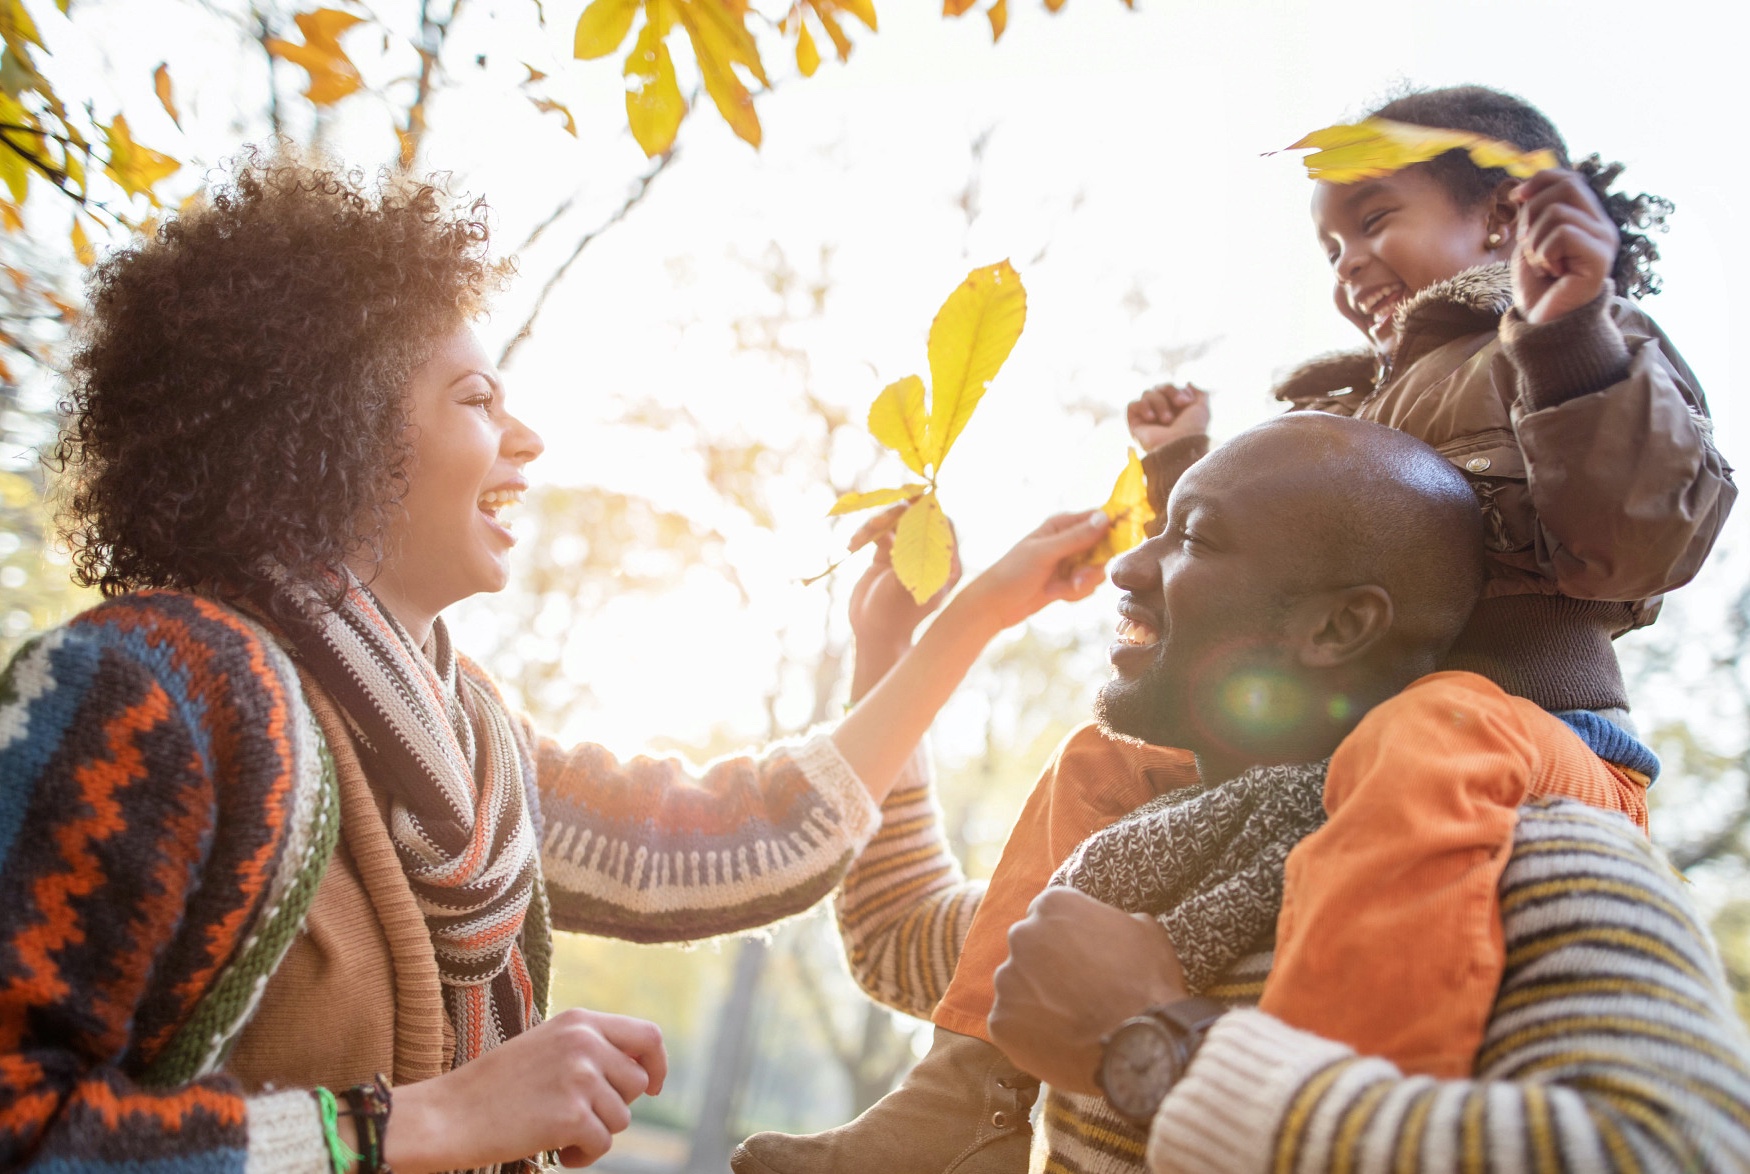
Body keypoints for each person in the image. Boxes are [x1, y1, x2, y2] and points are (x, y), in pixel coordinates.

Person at [0, 151, 1117, 1174]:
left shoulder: (475, 746)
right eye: (478, 398)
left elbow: (748, 836)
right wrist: (429, 1122)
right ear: (332, 426)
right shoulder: (156, 692)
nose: (526, 437)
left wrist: (956, 624)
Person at [732, 84, 1732, 1174]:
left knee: (1431, 726)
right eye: (1329, 242)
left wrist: (1570, 340)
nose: (1348, 259)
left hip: (1545, 747)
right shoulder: (1351, 409)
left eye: (1375, 216)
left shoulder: (1571, 352)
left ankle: (1318, 1058)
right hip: (1357, 757)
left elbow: (1639, 533)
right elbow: (1280, 559)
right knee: (1108, 751)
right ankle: (965, 1094)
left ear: (1503, 215)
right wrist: (1176, 477)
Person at [984, 420, 1750, 1172]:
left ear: (1338, 626)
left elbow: (1682, 1148)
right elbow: (902, 941)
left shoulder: (1540, 863)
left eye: (1196, 537)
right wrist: (896, 637)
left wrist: (1154, 1043)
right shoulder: (1121, 874)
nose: (1128, 567)